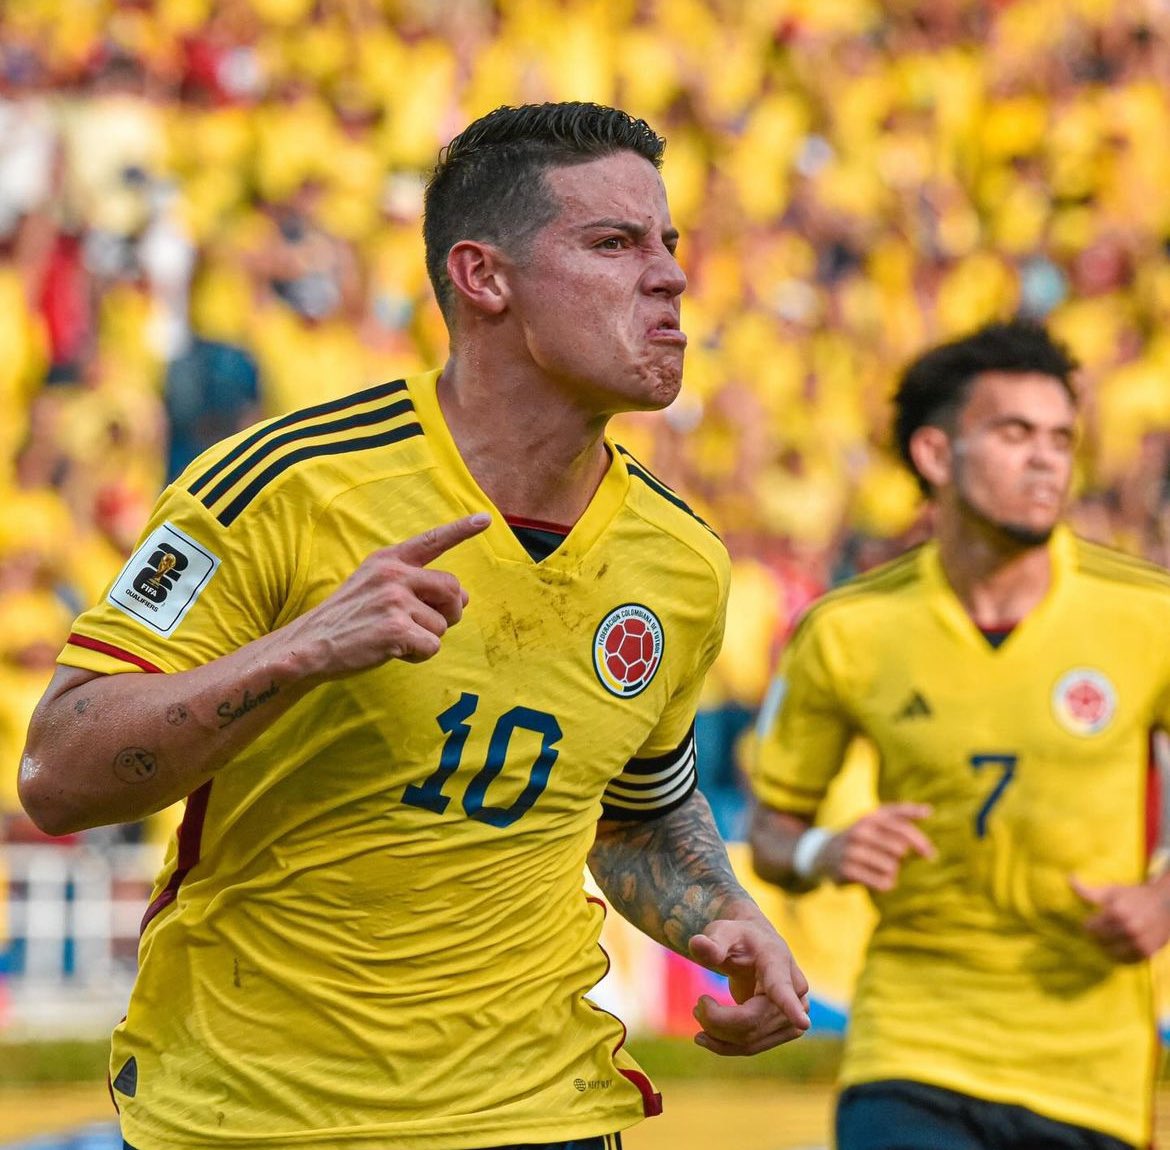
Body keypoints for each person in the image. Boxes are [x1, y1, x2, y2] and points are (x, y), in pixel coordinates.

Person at [19, 102, 810, 1150]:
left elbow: (639, 813)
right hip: (258, 1116)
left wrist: (724, 913)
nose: (667, 277)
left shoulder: (684, 563)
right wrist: (302, 650)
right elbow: (59, 772)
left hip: (542, 1112)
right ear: (483, 277)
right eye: (613, 244)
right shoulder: (283, 486)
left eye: (668, 245)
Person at [749, 318, 1170, 1150]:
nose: (1047, 457)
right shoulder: (848, 630)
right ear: (938, 455)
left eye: (1060, 437)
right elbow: (771, 832)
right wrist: (821, 854)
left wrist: (1164, 894)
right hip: (913, 1044)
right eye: (1015, 433)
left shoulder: (1148, 616)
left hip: (1089, 1067)